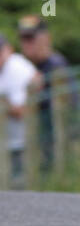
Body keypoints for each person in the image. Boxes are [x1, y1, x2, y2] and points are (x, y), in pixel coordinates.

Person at [16, 16, 72, 173]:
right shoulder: (23, 68)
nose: (26, 43)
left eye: (31, 38)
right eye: (23, 38)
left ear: (46, 38)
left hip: (54, 142)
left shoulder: (56, 66)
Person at [0, 33, 38, 188]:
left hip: (23, 141)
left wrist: (3, 103)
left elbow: (22, 110)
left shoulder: (17, 68)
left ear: (8, 49)